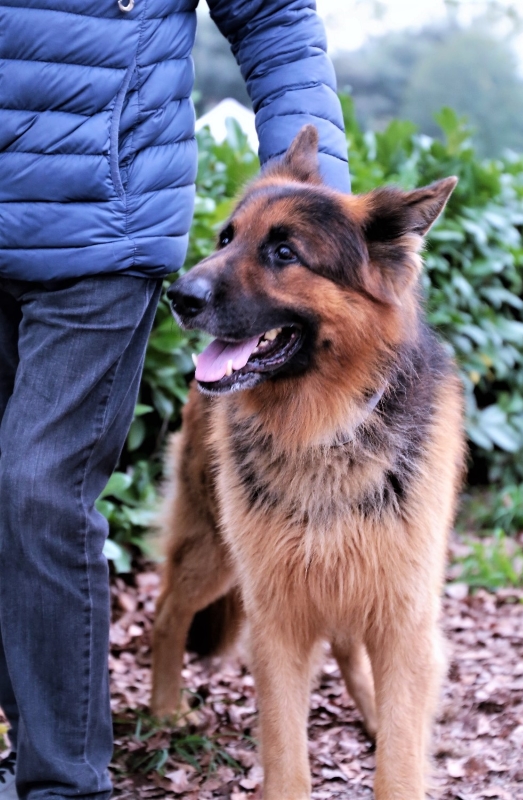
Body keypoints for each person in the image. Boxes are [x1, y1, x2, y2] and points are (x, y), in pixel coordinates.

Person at [0, 1, 350, 798]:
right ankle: (18, 743)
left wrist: (322, 211)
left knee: (36, 489)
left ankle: (62, 782)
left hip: (97, 228)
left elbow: (273, 17)